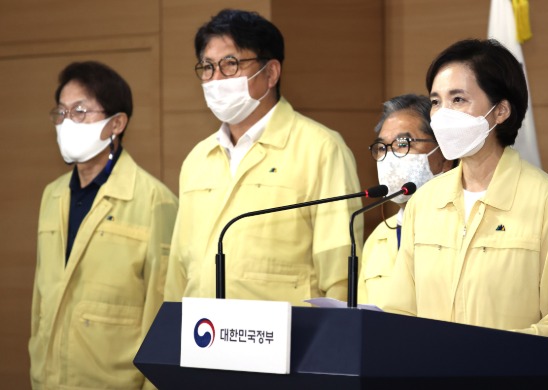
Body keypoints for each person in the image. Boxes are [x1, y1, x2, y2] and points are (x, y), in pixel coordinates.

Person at [381, 39, 548, 389]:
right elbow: (400, 312)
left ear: (501, 111)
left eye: (458, 99)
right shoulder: (424, 202)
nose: (442, 114)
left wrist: (484, 360)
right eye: (435, 101)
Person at [164, 9, 363, 305]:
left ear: (270, 72)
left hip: (285, 341)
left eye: (230, 64)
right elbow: (179, 272)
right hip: (203, 337)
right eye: (207, 67)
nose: (215, 79)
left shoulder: (321, 148)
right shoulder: (198, 158)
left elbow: (339, 274)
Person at [29, 61, 178, 389]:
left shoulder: (156, 201)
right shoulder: (52, 195)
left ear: (117, 123)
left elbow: (164, 312)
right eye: (62, 112)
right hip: (49, 379)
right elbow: (42, 300)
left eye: (80, 111)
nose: (68, 122)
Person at [358, 94, 455, 305]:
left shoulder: (462, 227)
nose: (390, 157)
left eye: (403, 143)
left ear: (445, 156)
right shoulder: (377, 239)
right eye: (382, 147)